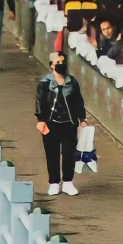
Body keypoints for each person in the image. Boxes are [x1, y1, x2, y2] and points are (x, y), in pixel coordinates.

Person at [36, 47, 87, 196]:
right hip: (51, 123)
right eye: (57, 62)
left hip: (68, 122)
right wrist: (40, 119)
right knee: (51, 153)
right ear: (51, 65)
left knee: (69, 153)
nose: (60, 64)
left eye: (62, 61)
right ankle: (53, 182)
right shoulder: (44, 83)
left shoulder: (72, 82)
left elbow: (78, 101)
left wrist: (82, 119)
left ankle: (68, 182)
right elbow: (40, 101)